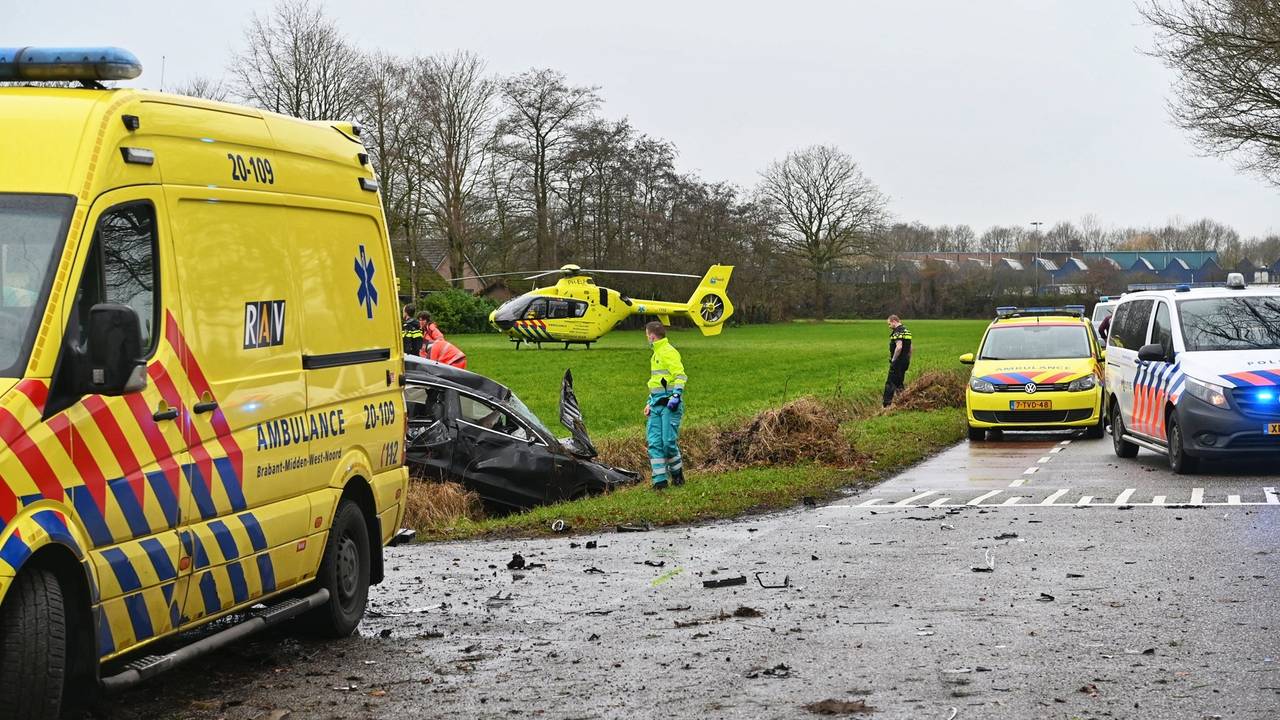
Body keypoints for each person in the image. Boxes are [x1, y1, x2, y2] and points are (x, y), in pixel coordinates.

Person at [643, 321, 687, 489]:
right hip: (656, 405)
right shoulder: (655, 355)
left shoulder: (668, 352)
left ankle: (677, 475)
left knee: (668, 443)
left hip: (670, 404)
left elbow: (680, 376)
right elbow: (657, 382)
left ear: (652, 336)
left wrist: (676, 395)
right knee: (654, 442)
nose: (647, 338)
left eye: (647, 335)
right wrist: (649, 402)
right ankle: (659, 481)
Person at [883, 314, 913, 406]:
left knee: (890, 383)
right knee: (899, 382)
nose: (889, 326)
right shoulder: (907, 331)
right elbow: (911, 348)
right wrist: (908, 358)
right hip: (905, 361)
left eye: (889, 324)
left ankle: (886, 405)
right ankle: (904, 401)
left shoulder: (897, 332)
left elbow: (899, 347)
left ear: (894, 321)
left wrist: (893, 360)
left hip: (898, 362)